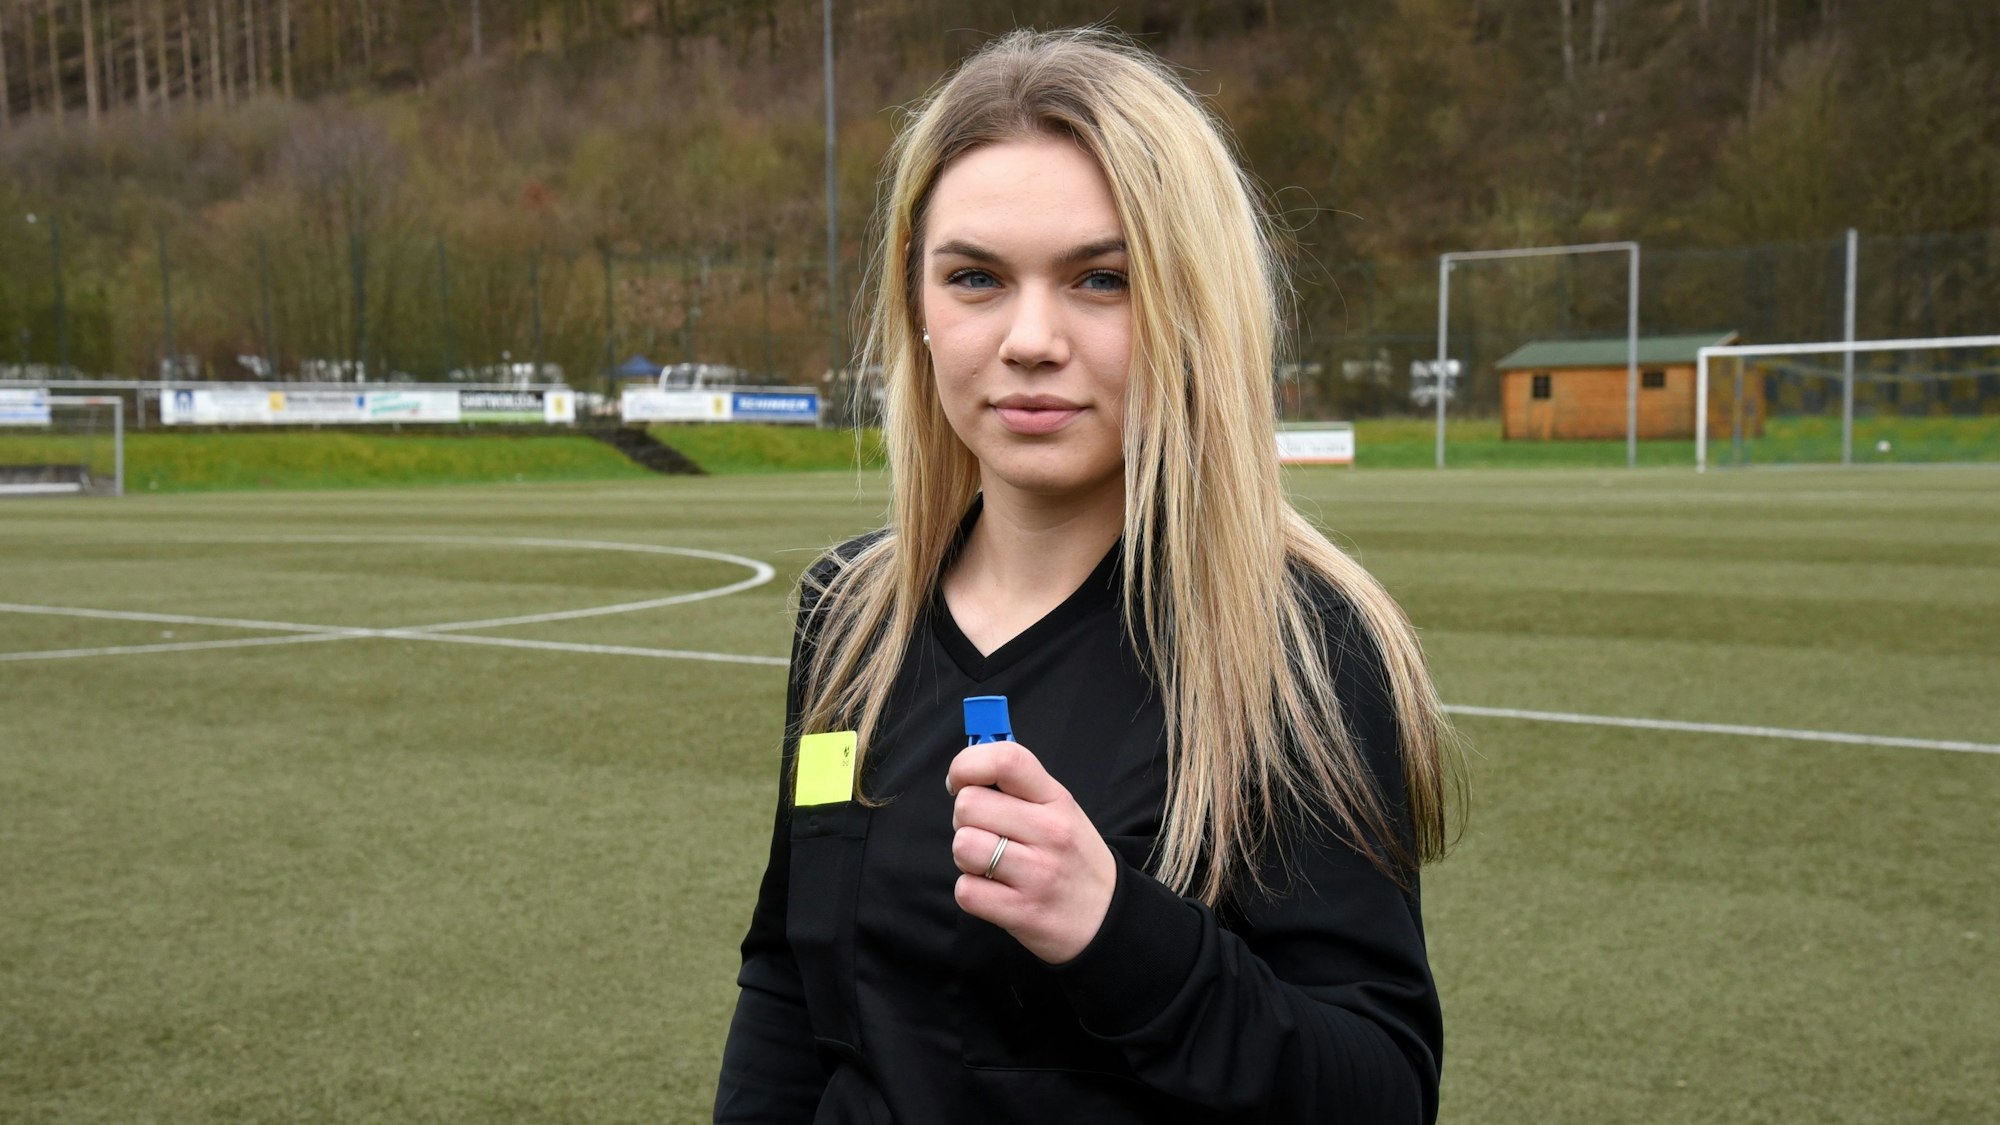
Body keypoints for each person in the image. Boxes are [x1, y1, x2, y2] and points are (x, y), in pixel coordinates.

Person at [715, 27, 1461, 1124]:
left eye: (1099, 280)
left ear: (1187, 307)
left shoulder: (1298, 644)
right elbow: (785, 980)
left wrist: (1117, 929)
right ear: (916, 308)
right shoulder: (847, 615)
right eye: (974, 277)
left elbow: (1379, 1091)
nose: (1027, 338)